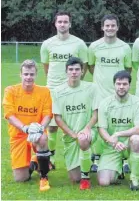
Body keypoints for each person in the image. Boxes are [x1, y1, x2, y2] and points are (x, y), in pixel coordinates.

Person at [41, 11, 89, 169]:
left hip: (74, 90)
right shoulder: (47, 44)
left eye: (65, 21)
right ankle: (51, 158)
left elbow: (84, 66)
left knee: (74, 123)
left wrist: (75, 84)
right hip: (54, 90)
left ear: (70, 24)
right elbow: (46, 67)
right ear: (55, 24)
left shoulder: (79, 43)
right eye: (60, 21)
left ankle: (81, 157)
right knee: (52, 125)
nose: (62, 24)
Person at [87, 14, 132, 173]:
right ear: (102, 27)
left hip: (119, 94)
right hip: (99, 94)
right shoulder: (94, 46)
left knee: (121, 124)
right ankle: (97, 157)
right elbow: (91, 67)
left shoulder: (125, 47)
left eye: (113, 25)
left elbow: (127, 71)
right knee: (101, 127)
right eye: (107, 26)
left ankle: (125, 158)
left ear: (117, 27)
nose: (110, 28)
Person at [3, 60, 53, 191]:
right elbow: (9, 115)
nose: (28, 77)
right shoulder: (11, 91)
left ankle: (44, 177)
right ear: (20, 74)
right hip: (19, 135)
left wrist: (40, 128)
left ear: (36, 74)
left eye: (31, 74)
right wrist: (25, 128)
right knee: (21, 178)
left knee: (42, 138)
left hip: (37, 133)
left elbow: (48, 114)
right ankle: (36, 161)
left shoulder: (44, 92)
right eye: (26, 74)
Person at [96, 71, 139, 191]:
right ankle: (119, 171)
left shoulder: (138, 103)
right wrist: (113, 142)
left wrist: (118, 134)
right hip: (112, 146)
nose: (121, 87)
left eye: (125, 84)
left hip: (129, 144)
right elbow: (101, 129)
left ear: (130, 85)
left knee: (136, 138)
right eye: (118, 84)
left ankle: (135, 179)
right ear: (114, 85)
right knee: (104, 182)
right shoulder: (105, 103)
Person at [52, 57, 98, 190]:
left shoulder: (91, 88)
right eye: (71, 69)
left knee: (83, 140)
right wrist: (72, 134)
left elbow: (96, 114)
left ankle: (86, 178)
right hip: (70, 137)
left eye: (77, 69)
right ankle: (88, 158)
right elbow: (58, 118)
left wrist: (87, 128)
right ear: (66, 71)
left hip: (88, 131)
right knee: (74, 178)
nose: (74, 72)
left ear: (82, 71)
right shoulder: (58, 91)